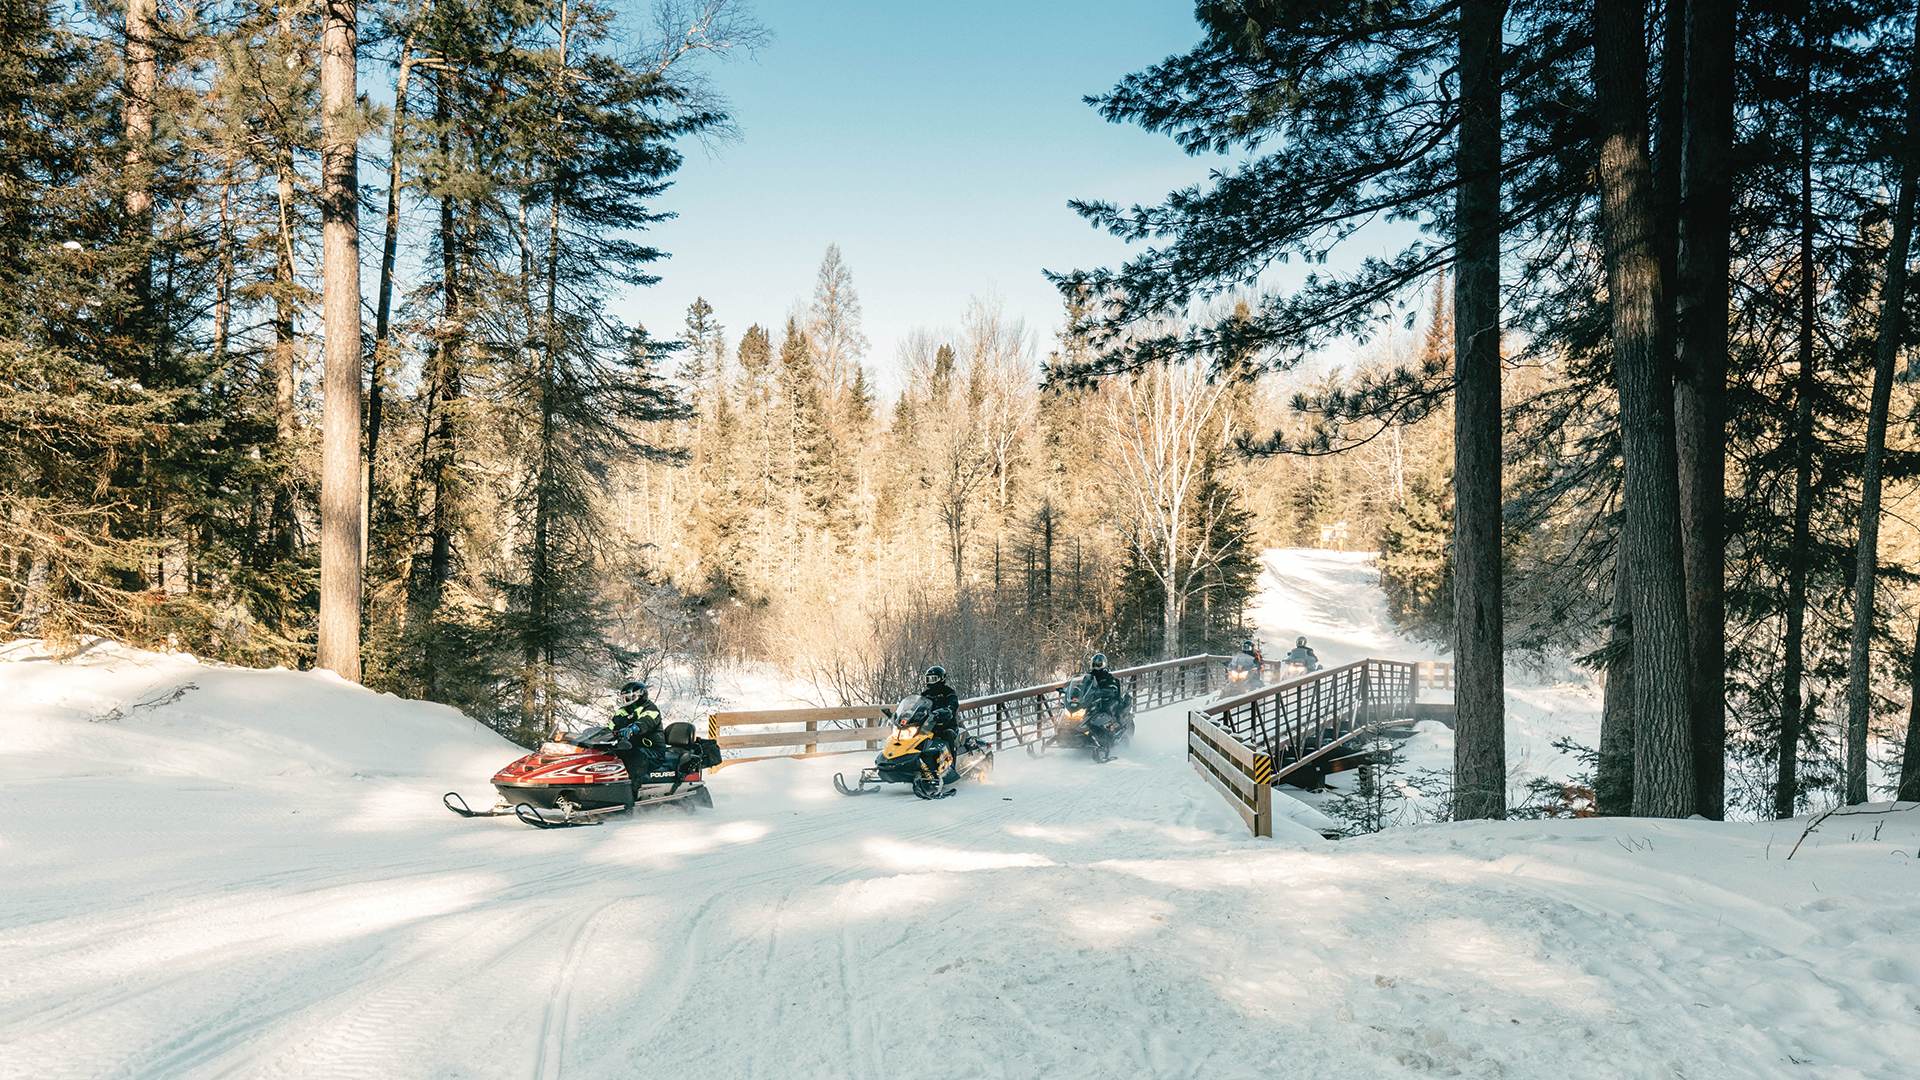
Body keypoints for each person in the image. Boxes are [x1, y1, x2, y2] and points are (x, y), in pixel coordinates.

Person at [611, 679, 665, 798]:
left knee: (633, 757)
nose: (626, 701)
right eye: (624, 698)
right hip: (629, 747)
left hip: (652, 750)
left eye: (629, 698)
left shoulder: (651, 709)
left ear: (639, 696)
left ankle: (632, 794)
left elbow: (645, 722)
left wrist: (633, 729)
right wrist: (596, 733)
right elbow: (610, 727)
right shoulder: (622, 712)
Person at [919, 664, 971, 755]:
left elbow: (953, 704)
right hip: (928, 726)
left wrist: (948, 710)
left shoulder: (948, 692)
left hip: (946, 725)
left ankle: (951, 764)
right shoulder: (925, 694)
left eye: (933, 679)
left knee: (948, 735)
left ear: (941, 678)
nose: (930, 682)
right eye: (928, 679)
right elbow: (918, 705)